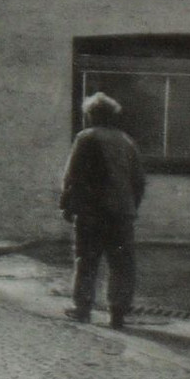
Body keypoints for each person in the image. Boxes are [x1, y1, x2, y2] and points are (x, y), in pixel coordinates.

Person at [59, 91, 146, 329]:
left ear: (91, 115)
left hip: (92, 211)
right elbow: (138, 180)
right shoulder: (127, 141)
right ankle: (118, 313)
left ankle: (83, 308)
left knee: (87, 259)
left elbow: (73, 175)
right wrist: (130, 206)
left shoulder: (86, 138)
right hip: (122, 213)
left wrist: (67, 204)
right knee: (121, 263)